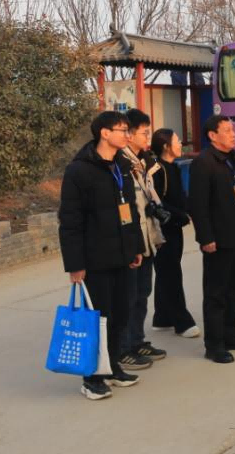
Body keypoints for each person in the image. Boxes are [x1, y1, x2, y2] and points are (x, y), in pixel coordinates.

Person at [58, 111, 144, 400]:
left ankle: (113, 366)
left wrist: (136, 248)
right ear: (104, 133)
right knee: (98, 319)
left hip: (122, 255)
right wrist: (75, 264)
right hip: (95, 259)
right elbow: (70, 221)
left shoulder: (122, 166)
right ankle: (92, 377)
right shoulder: (79, 171)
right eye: (122, 130)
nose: (127, 135)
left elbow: (131, 212)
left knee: (121, 313)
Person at [188, 115, 235, 363]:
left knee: (233, 288)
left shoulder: (234, 157)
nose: (233, 134)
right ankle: (214, 344)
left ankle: (230, 334)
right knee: (216, 292)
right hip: (217, 237)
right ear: (212, 135)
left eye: (233, 130)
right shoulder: (204, 162)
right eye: (227, 130)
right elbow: (198, 204)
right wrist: (205, 237)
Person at [118, 109, 166, 370]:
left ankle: (137, 341)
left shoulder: (142, 163)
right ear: (129, 134)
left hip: (147, 239)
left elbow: (148, 201)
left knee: (142, 294)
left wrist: (156, 234)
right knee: (128, 297)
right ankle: (123, 348)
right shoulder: (121, 165)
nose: (148, 137)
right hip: (132, 243)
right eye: (144, 133)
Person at [150, 128, 198, 338]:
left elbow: (179, 197)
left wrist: (188, 211)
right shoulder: (157, 170)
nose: (180, 145)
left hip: (175, 228)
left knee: (167, 271)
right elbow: (157, 202)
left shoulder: (174, 167)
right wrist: (182, 215)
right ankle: (182, 322)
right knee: (171, 274)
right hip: (162, 231)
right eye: (177, 141)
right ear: (166, 146)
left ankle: (162, 317)